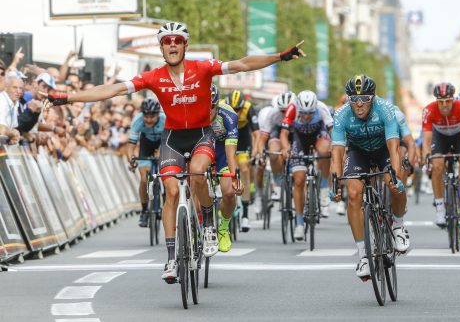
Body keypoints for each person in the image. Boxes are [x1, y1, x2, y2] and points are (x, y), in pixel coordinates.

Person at [43, 21, 306, 283]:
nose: (172, 44)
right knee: (170, 191)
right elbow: (114, 90)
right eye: (166, 41)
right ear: (161, 48)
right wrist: (67, 98)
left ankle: (208, 225)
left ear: (185, 45)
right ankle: (171, 258)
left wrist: (281, 56)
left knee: (197, 173)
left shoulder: (202, 68)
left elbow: (242, 64)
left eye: (177, 40)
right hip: (172, 138)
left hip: (201, 134)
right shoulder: (153, 77)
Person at [331, 74, 407, 280]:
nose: (358, 103)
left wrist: (396, 176)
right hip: (358, 152)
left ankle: (398, 227)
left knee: (393, 184)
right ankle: (364, 255)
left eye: (363, 98)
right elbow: (337, 153)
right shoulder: (341, 115)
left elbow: (394, 147)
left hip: (383, 149)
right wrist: (335, 182)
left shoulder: (385, 110)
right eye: (353, 99)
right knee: (354, 194)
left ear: (372, 98)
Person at [421, 83, 460, 238]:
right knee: (437, 165)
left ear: (453, 100)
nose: (444, 105)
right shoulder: (429, 110)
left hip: (459, 136)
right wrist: (426, 159)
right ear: (436, 101)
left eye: (447, 101)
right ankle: (440, 208)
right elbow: (426, 140)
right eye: (440, 102)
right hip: (440, 137)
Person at [281, 90, 333, 239]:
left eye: (310, 113)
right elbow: (284, 134)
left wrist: (336, 146)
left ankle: (323, 188)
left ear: (315, 108)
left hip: (318, 135)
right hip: (299, 139)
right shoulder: (292, 108)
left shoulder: (322, 108)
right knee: (298, 180)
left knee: (325, 151)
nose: (306, 116)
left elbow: (332, 130)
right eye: (303, 113)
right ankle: (299, 222)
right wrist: (285, 147)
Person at [209, 84, 244, 252]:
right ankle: (196, 225)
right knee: (193, 183)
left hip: (222, 151)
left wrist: (235, 177)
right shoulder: (190, 112)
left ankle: (223, 227)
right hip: (200, 149)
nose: (208, 112)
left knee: (229, 192)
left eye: (211, 107)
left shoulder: (228, 115)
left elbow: (231, 152)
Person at [223, 89, 260, 232]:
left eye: (238, 109)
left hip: (243, 139)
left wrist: (256, 150)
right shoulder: (220, 106)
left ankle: (245, 215)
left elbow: (256, 133)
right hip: (226, 138)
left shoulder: (249, 108)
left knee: (244, 167)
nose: (236, 113)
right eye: (233, 109)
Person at [127, 97, 166, 227]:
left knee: (168, 177)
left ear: (158, 114)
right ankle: (144, 210)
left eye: (152, 116)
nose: (149, 120)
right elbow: (131, 146)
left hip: (163, 143)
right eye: (146, 116)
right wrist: (131, 160)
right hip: (146, 145)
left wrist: (161, 151)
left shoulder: (165, 119)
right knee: (144, 180)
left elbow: (171, 140)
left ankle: (167, 203)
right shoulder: (137, 121)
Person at [255, 92, 297, 209]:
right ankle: (277, 183)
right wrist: (261, 155)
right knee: (273, 152)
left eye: (287, 110)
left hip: (294, 134)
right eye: (282, 110)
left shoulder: (299, 113)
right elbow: (262, 139)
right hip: (277, 133)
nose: (284, 113)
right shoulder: (272, 114)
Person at [0, 72, 24, 144]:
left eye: (20, 88)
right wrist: (13, 133)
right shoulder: (2, 100)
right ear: (6, 87)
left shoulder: (15, 102)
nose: (18, 91)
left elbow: (12, 128)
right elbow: (1, 129)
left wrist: (14, 136)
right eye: (14, 87)